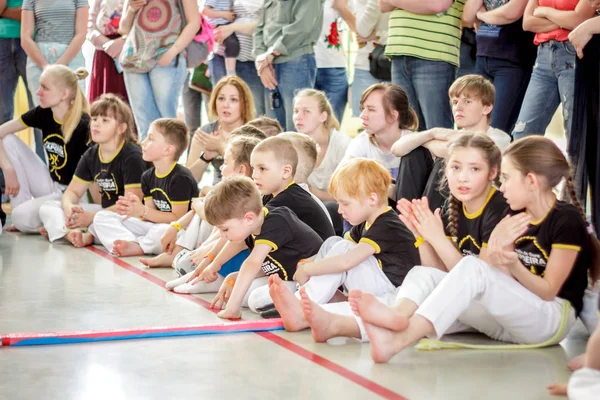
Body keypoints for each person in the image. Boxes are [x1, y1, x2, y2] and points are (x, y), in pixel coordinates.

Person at [354, 136, 598, 363]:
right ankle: (394, 317)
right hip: (511, 318)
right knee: (424, 275)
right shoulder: (514, 214)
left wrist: (510, 262)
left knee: (473, 267)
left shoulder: (565, 219)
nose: (502, 188)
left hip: (551, 319)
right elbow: (467, 281)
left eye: (507, 178)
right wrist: (423, 238)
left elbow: (547, 292)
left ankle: (398, 339)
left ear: (531, 181)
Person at [274, 133, 509, 337]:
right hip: (457, 299)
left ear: (493, 172)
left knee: (402, 303)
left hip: (491, 308)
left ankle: (313, 311)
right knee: (412, 285)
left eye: (474, 168)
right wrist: (420, 237)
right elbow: (439, 274)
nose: (463, 177)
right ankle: (318, 316)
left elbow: (478, 282)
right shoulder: (451, 207)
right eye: (455, 167)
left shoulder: (497, 210)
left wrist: (435, 237)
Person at [268, 157, 420, 331]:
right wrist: (307, 263)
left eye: (345, 203)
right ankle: (311, 300)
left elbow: (346, 261)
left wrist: (308, 270)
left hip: (392, 293)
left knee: (343, 249)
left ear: (372, 199)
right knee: (334, 242)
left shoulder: (387, 224)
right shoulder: (367, 221)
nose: (339, 210)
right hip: (375, 285)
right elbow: (335, 249)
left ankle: (301, 303)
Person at [141, 125, 265, 270]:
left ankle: (182, 253)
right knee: (164, 232)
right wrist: (176, 226)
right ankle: (178, 253)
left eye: (225, 163)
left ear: (241, 170)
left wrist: (197, 206)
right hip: (205, 241)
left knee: (204, 209)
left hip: (226, 247)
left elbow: (210, 215)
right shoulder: (228, 188)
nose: (221, 168)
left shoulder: (251, 195)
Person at [202, 175, 324, 319]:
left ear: (248, 218)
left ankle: (302, 307)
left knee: (256, 300)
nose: (222, 236)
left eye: (225, 229)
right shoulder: (252, 228)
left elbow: (252, 264)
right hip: (292, 278)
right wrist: (230, 275)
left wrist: (232, 309)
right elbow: (273, 265)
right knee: (248, 297)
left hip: (316, 280)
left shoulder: (277, 220)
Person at [38, 94, 147, 247]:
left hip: (129, 217)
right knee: (48, 207)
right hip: (103, 212)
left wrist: (91, 217)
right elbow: (72, 192)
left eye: (105, 120)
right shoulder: (91, 154)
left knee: (102, 221)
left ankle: (76, 232)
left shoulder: (132, 156)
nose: (96, 124)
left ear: (121, 128)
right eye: (94, 119)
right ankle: (71, 234)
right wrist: (69, 208)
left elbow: (130, 205)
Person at [393, 74, 511, 210]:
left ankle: (427, 221)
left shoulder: (499, 138)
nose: (458, 108)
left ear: (486, 108)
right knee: (414, 153)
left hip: (476, 205)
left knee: (448, 161)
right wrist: (432, 133)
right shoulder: (448, 134)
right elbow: (397, 149)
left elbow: (461, 152)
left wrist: (428, 141)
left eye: (467, 101)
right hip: (448, 202)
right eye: (455, 102)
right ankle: (405, 223)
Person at [0, 65, 90, 233]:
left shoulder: (84, 125)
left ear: (65, 94)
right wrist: (8, 168)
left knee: (21, 217)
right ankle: (32, 213)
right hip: (52, 185)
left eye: (45, 88)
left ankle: (56, 223)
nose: (38, 92)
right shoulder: (43, 113)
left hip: (74, 194)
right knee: (8, 141)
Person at [93, 118, 199, 256]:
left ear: (168, 149)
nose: (143, 143)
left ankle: (139, 246)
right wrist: (134, 210)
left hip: (178, 230)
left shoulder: (180, 178)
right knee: (101, 217)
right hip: (155, 226)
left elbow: (177, 218)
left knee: (160, 232)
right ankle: (134, 242)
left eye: (150, 139)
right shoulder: (147, 176)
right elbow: (150, 215)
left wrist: (143, 212)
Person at [513, 0, 595, 141]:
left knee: (575, 133)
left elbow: (578, 20)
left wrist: (545, 12)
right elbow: (527, 23)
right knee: (523, 133)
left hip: (573, 54)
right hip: (543, 56)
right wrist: (564, 21)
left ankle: (576, 164)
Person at [118, 0, 200, 139]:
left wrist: (172, 52)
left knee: (166, 124)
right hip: (134, 59)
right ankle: (148, 160)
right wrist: (131, 9)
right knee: (144, 125)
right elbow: (123, 29)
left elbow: (194, 22)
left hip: (166, 57)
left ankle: (167, 160)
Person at [380, 0, 464, 131]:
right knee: (407, 130)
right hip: (399, 51)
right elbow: (383, 5)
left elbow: (438, 5)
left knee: (438, 130)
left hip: (434, 54)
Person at [463, 0, 536, 134]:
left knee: (497, 129)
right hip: (483, 56)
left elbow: (511, 13)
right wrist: (489, 15)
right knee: (474, 125)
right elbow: (468, 15)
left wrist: (482, 15)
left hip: (512, 60)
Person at [253, 0, 324, 131]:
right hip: (269, 64)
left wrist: (271, 54)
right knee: (273, 130)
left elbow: (302, 26)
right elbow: (259, 29)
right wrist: (261, 60)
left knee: (296, 129)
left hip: (295, 61)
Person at [341, 83, 418, 200]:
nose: (362, 115)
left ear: (393, 116)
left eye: (371, 110)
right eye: (363, 109)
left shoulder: (414, 145)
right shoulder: (361, 142)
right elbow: (340, 179)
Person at [186, 75, 255, 184]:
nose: (226, 105)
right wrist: (205, 158)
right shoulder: (205, 133)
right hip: (216, 192)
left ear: (244, 104)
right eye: (221, 98)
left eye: (233, 100)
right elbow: (187, 182)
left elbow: (253, 176)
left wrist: (221, 147)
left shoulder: (253, 133)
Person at [21, 0, 89, 100]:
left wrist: (58, 66)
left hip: (71, 57)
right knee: (43, 111)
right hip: (39, 59)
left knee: (73, 108)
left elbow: (81, 34)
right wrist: (46, 67)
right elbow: (25, 38)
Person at [209, 0, 266, 116]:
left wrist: (232, 28)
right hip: (222, 59)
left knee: (255, 110)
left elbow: (265, 26)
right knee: (223, 111)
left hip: (252, 63)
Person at [292, 89, 350, 202]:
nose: (298, 117)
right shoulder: (293, 144)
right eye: (296, 111)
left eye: (306, 111)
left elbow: (349, 195)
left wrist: (309, 191)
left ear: (323, 117)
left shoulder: (342, 145)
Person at [314, 0, 354, 123]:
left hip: (335, 66)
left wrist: (342, 8)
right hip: (302, 66)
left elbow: (358, 27)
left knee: (332, 124)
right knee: (305, 127)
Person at [349, 0, 390, 117]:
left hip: (392, 64)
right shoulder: (361, 2)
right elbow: (363, 30)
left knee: (393, 122)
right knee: (362, 120)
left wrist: (377, 35)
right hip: (365, 65)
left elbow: (400, 33)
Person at [87, 0, 129, 104]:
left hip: (130, 51)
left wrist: (123, 42)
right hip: (104, 54)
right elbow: (90, 27)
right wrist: (108, 45)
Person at [203, 0, 239, 77]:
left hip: (224, 24)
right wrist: (224, 14)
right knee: (232, 44)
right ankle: (230, 73)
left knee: (229, 46)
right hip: (218, 25)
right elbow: (205, 11)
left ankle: (210, 66)